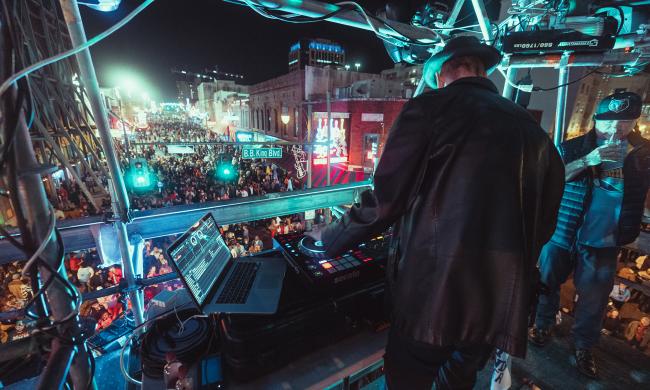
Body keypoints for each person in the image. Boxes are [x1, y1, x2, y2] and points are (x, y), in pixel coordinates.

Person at [307, 36, 564, 389]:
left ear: (442, 71)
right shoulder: (534, 132)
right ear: (479, 69)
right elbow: (544, 224)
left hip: (432, 300)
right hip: (493, 307)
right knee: (457, 381)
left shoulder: (429, 109)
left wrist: (330, 238)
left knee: (407, 379)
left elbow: (386, 200)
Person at [529, 91, 650, 378]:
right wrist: (589, 159)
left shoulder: (642, 154)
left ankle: (583, 346)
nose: (616, 129)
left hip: (605, 239)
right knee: (547, 283)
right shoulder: (571, 148)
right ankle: (543, 325)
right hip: (563, 230)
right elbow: (551, 179)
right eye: (609, 122)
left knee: (594, 300)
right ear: (596, 120)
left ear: (634, 122)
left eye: (625, 122)